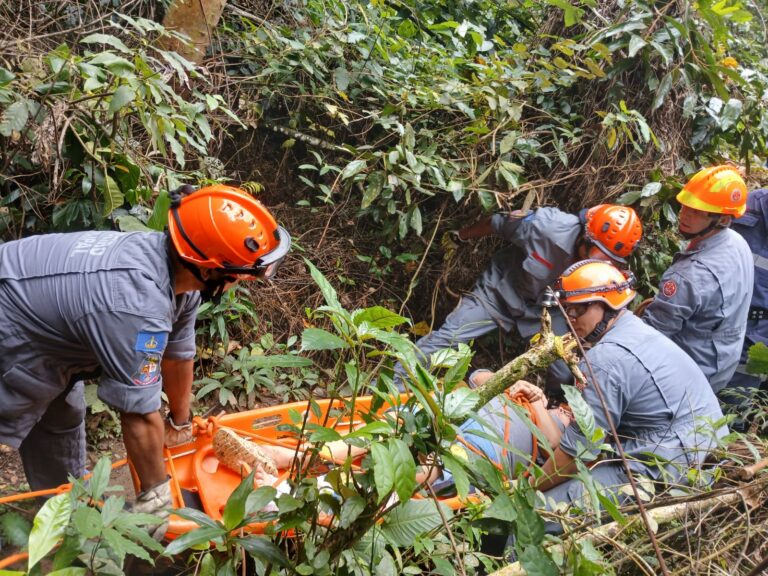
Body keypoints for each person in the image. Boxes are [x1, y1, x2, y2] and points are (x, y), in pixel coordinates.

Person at [0, 184, 290, 515]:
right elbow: (137, 414)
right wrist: (157, 499)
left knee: (63, 416)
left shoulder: (178, 273)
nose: (243, 281)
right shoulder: (137, 305)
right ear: (209, 269)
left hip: (41, 325)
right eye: (241, 275)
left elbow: (178, 354)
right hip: (11, 322)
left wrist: (179, 422)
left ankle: (67, 512)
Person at [465, 260, 727, 506]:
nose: (571, 318)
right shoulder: (634, 329)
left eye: (580, 309)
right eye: (567, 309)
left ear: (607, 305)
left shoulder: (605, 360)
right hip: (695, 442)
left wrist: (524, 490)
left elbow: (575, 455)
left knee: (536, 513)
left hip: (670, 460)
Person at [402, 204, 642, 388]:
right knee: (451, 336)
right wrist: (460, 236)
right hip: (500, 292)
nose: (598, 262)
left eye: (608, 259)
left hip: (547, 311)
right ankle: (395, 384)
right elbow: (498, 223)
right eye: (597, 253)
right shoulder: (546, 227)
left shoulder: (609, 270)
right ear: (585, 235)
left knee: (564, 372)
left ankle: (551, 413)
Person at [642, 165, 754, 393]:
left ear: (723, 220)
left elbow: (650, 337)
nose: (684, 215)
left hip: (684, 378)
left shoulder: (690, 275)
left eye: (697, 212)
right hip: (719, 367)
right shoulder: (737, 243)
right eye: (685, 206)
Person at [719, 187, 768, 425]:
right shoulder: (745, 205)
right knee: (721, 414)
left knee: (748, 415)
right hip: (729, 326)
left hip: (760, 337)